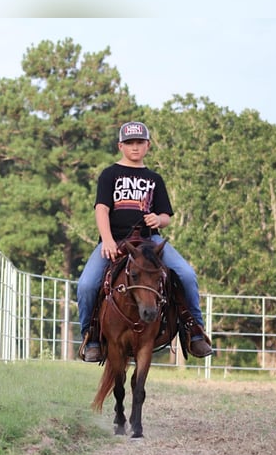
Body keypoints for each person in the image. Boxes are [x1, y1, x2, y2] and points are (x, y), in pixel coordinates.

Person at [77, 121, 213, 362]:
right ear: (121, 146)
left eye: (140, 142)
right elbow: (101, 209)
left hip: (150, 242)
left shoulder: (154, 179)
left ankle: (195, 332)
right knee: (87, 284)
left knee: (187, 274)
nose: (135, 147)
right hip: (116, 240)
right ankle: (91, 338)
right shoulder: (109, 174)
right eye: (130, 143)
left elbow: (166, 217)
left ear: (148, 145)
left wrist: (157, 219)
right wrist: (107, 240)